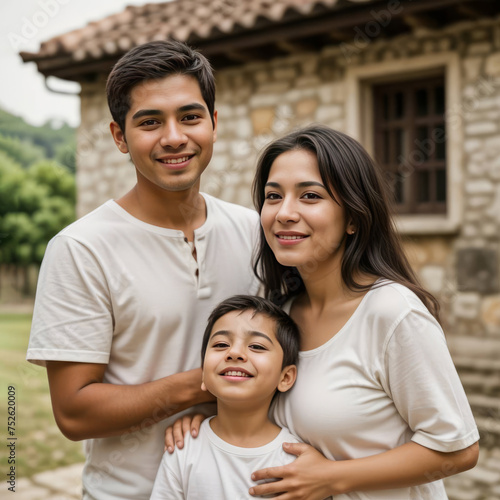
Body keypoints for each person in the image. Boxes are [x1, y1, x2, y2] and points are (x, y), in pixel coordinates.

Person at [166, 125, 480, 500]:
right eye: (273, 196)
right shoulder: (278, 315)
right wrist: (210, 426)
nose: (284, 213)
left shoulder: (392, 313)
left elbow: (459, 448)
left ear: (353, 217)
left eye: (310, 196)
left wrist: (333, 477)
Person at [26, 40, 260, 500]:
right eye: (150, 122)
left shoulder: (254, 231)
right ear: (119, 137)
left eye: (190, 117)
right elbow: (74, 414)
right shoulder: (80, 249)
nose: (174, 137)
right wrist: (208, 381)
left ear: (214, 124)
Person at [150, 295, 301, 499]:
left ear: (285, 377)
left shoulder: (296, 460)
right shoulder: (184, 448)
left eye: (256, 346)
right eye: (221, 344)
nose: (235, 353)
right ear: (203, 374)